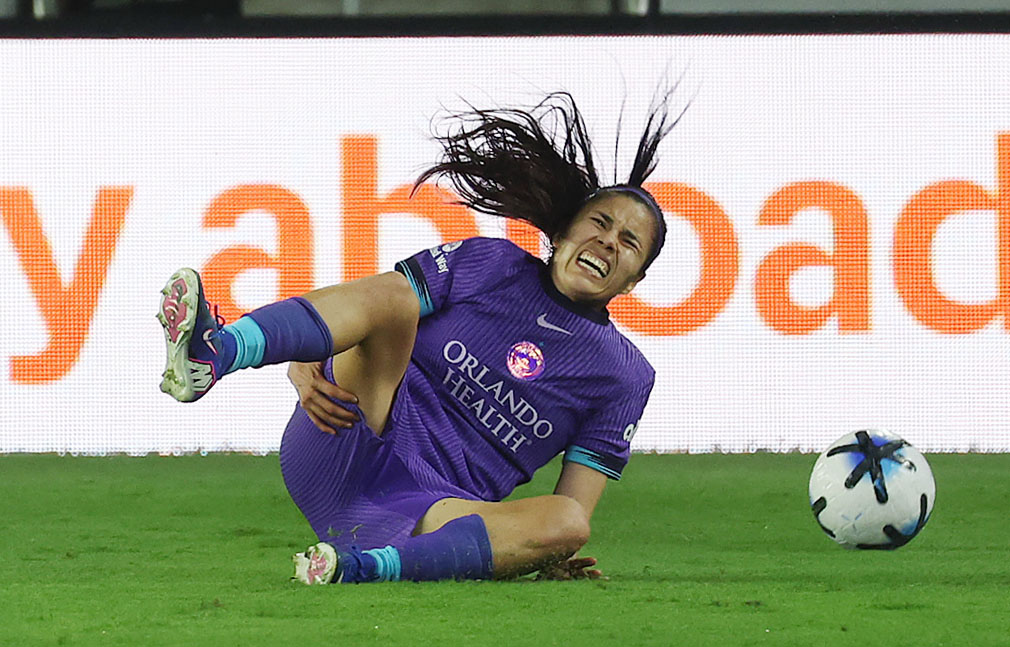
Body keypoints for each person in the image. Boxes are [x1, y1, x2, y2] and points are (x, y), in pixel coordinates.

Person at [157, 90, 680, 584]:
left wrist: (544, 551)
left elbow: (573, 511)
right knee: (398, 298)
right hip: (346, 434)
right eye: (599, 223)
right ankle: (216, 352)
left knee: (567, 522)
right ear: (564, 234)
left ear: (635, 279)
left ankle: (361, 568)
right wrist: (308, 354)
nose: (607, 241)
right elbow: (370, 306)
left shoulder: (624, 375)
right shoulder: (493, 263)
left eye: (628, 242)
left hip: (430, 514)